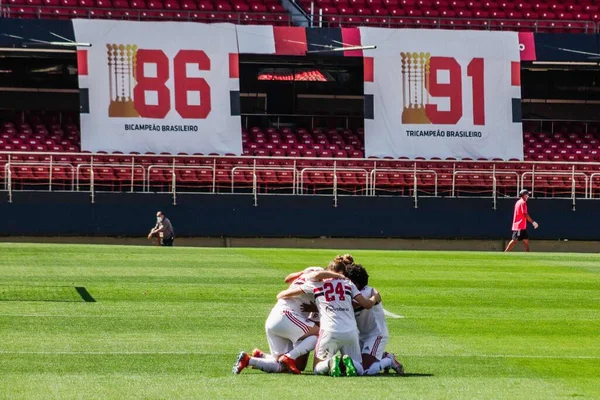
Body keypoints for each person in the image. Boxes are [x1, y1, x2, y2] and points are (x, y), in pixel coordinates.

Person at [233, 267, 345, 375]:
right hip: (287, 315)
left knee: (282, 366)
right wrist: (338, 276)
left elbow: (287, 279)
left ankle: (249, 360)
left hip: (274, 318)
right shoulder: (319, 279)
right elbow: (317, 276)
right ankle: (289, 357)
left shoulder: (308, 273)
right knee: (321, 335)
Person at [277, 260, 380, 377]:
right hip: (351, 332)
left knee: (317, 368)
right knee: (360, 369)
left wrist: (282, 295)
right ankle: (348, 363)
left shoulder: (317, 284)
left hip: (329, 331)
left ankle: (330, 363)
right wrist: (374, 298)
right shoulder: (348, 284)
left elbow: (284, 294)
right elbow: (367, 304)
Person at [345, 263, 404, 375]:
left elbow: (351, 305)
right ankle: (382, 355)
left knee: (366, 371)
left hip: (376, 335)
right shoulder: (363, 292)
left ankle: (389, 360)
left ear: (355, 283)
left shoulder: (367, 292)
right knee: (357, 367)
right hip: (360, 335)